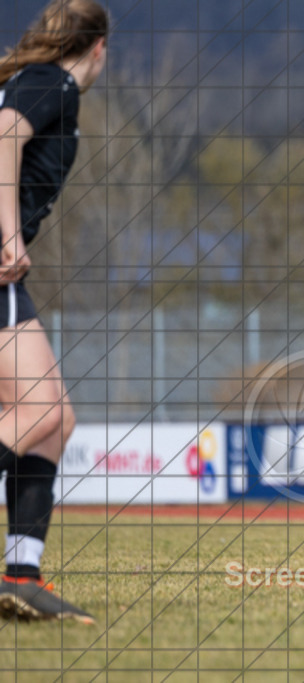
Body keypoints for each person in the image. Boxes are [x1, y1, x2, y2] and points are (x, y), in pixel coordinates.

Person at [0, 0, 109, 622]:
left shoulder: (28, 79)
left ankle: (20, 576)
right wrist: (11, 234)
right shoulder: (52, 83)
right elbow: (6, 136)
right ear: (97, 48)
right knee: (39, 410)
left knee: (52, 419)